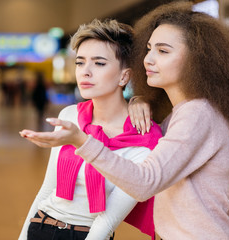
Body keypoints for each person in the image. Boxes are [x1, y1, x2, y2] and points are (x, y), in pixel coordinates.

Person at [19, 2, 229, 240]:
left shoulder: (198, 113)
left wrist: (81, 140)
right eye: (148, 49)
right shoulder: (180, 113)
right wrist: (138, 100)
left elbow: (144, 181)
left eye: (163, 51)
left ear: (196, 60)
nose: (147, 59)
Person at [19, 19, 163, 240]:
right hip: (40, 227)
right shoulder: (69, 116)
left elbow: (107, 221)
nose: (84, 72)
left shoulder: (143, 140)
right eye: (80, 62)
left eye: (99, 63)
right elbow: (48, 189)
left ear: (124, 76)